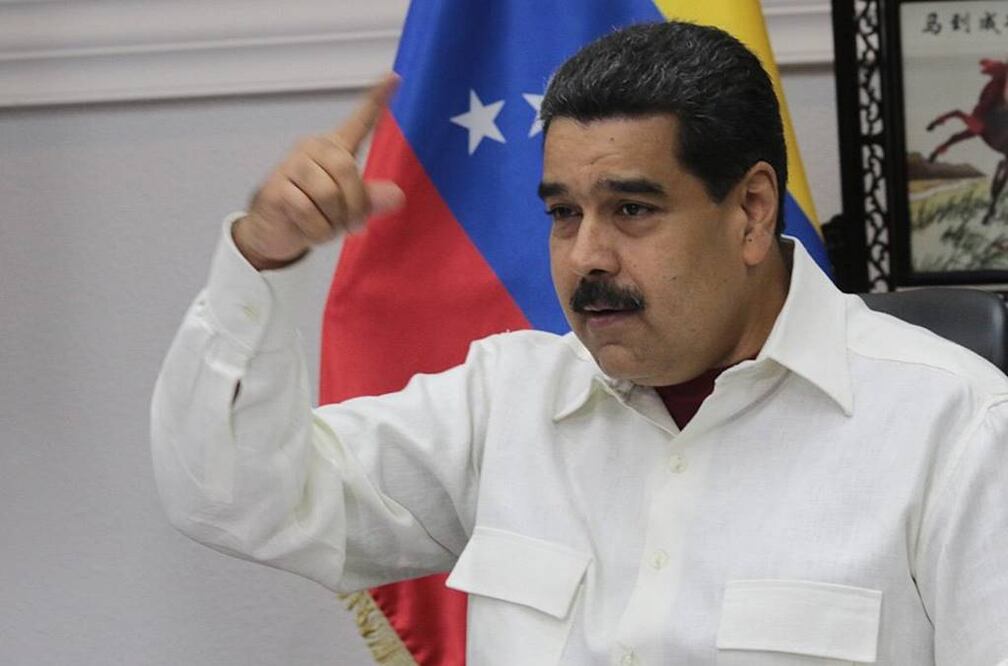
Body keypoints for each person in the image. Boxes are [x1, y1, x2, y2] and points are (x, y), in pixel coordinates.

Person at [151, 21, 1008, 665]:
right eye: (564, 213)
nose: (586, 257)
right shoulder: (507, 400)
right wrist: (264, 257)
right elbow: (234, 498)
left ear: (750, 211)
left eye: (632, 210)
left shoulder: (954, 428)